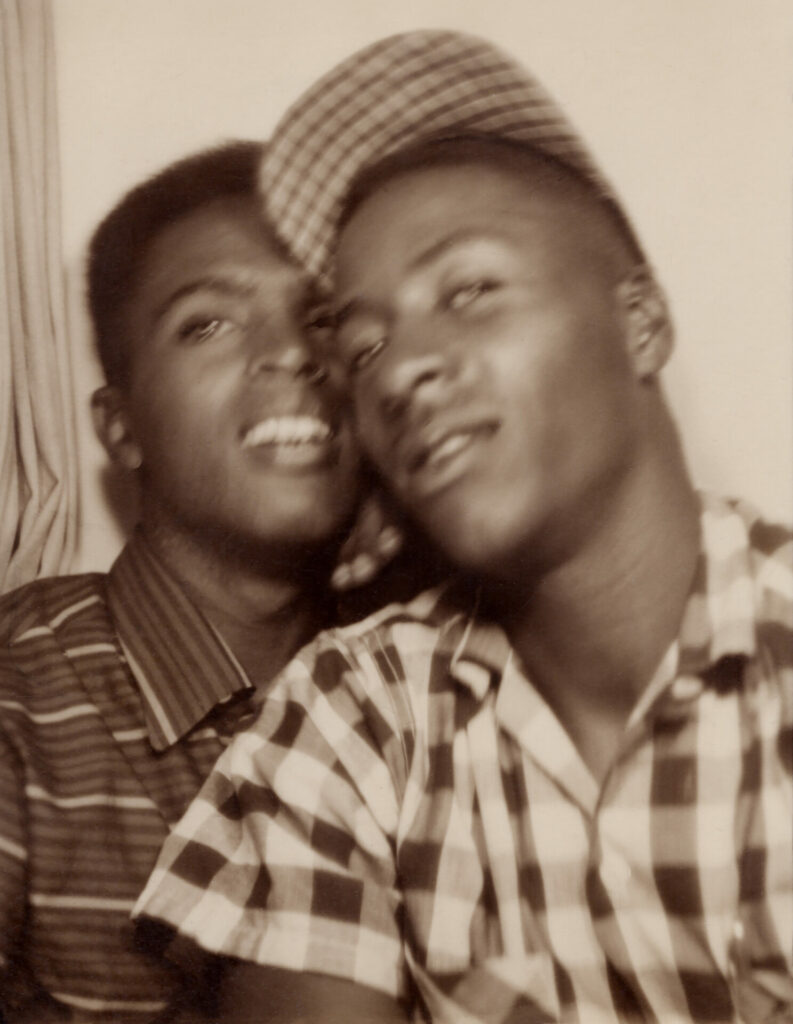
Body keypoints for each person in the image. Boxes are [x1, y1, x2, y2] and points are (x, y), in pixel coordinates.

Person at [134, 32, 793, 1024]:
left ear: (641, 322)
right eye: (362, 346)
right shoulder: (355, 711)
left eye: (470, 290)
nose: (398, 371)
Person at [0, 139, 410, 1023]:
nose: (292, 356)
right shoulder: (18, 706)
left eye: (324, 319)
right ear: (120, 430)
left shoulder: (425, 682)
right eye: (209, 323)